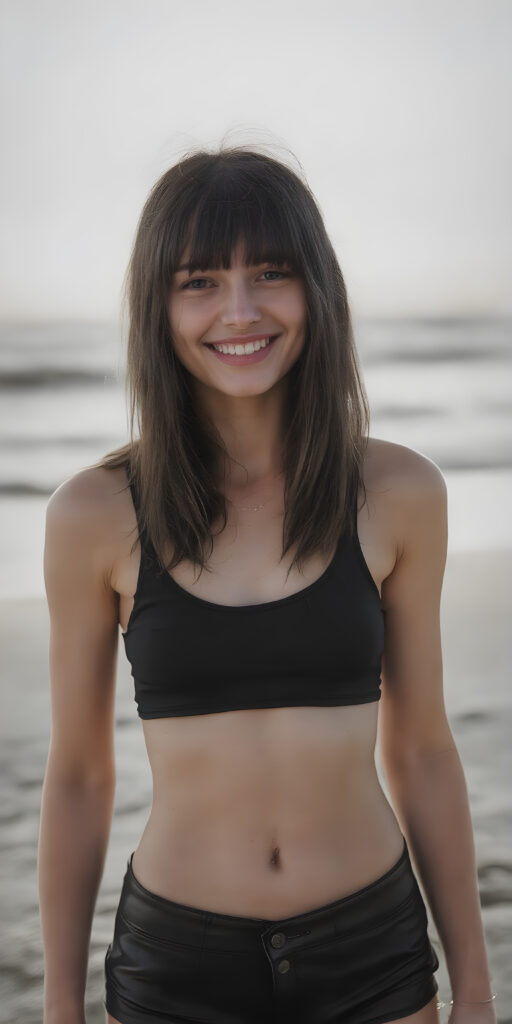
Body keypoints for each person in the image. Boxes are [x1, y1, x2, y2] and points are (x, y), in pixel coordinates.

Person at [38, 146, 496, 1024]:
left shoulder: (399, 495)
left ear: (316, 290)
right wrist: (60, 1008)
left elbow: (423, 750)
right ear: (158, 306)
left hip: (371, 951)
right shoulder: (94, 514)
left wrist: (473, 989)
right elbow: (78, 779)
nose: (240, 310)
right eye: (199, 280)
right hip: (178, 962)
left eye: (271, 273)